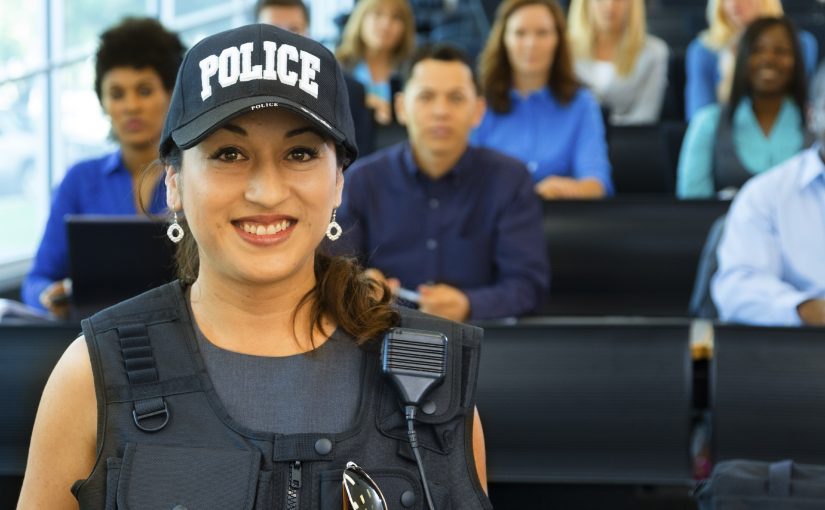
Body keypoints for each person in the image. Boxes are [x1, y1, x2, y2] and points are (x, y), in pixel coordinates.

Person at [17, 24, 492, 509]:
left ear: (338, 183)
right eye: (229, 153)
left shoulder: (432, 378)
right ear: (175, 185)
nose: (266, 191)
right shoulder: (92, 375)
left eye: (300, 153)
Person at [334, 43, 549, 322]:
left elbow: (528, 286)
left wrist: (470, 304)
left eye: (456, 98)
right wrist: (359, 287)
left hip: (483, 341)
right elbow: (330, 273)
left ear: (478, 111)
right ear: (401, 107)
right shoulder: (361, 180)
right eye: (426, 97)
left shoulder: (510, 179)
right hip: (380, 338)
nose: (440, 111)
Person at [20, 17, 185, 318]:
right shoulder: (79, 181)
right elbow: (37, 279)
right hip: (96, 338)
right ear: (103, 101)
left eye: (145, 91)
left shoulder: (195, 176)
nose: (131, 106)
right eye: (117, 94)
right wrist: (49, 297)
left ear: (171, 94)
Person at [711, 61, 825, 327]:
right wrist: (806, 310)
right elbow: (737, 287)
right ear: (812, 116)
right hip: (800, 353)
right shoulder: (766, 194)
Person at [472, 0, 613, 200]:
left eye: (542, 33)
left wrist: (561, 189)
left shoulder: (582, 104)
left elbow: (597, 185)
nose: (531, 43)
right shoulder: (478, 103)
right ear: (503, 40)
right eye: (520, 33)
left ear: (558, 40)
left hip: (559, 221)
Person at [676, 16, 809, 199]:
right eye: (756, 50)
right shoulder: (707, 123)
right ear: (742, 59)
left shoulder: (816, 126)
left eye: (781, 51)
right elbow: (692, 209)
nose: (768, 59)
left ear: (797, 61)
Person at [256, 0, 376, 156]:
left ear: (309, 33)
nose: (283, 39)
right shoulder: (233, 89)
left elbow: (359, 160)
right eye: (272, 30)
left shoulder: (348, 90)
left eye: (294, 30)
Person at [684, 0, 818, 120]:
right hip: (726, 132)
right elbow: (698, 115)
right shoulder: (703, 49)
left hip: (787, 126)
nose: (733, 4)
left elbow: (808, 104)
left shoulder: (802, 44)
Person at [567, 0, 669, 125]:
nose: (610, 5)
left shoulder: (655, 52)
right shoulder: (562, 49)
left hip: (627, 140)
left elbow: (645, 116)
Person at [336, 0, 416, 129]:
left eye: (396, 17)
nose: (386, 24)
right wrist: (361, 101)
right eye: (378, 14)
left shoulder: (412, 71)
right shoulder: (337, 66)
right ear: (361, 18)